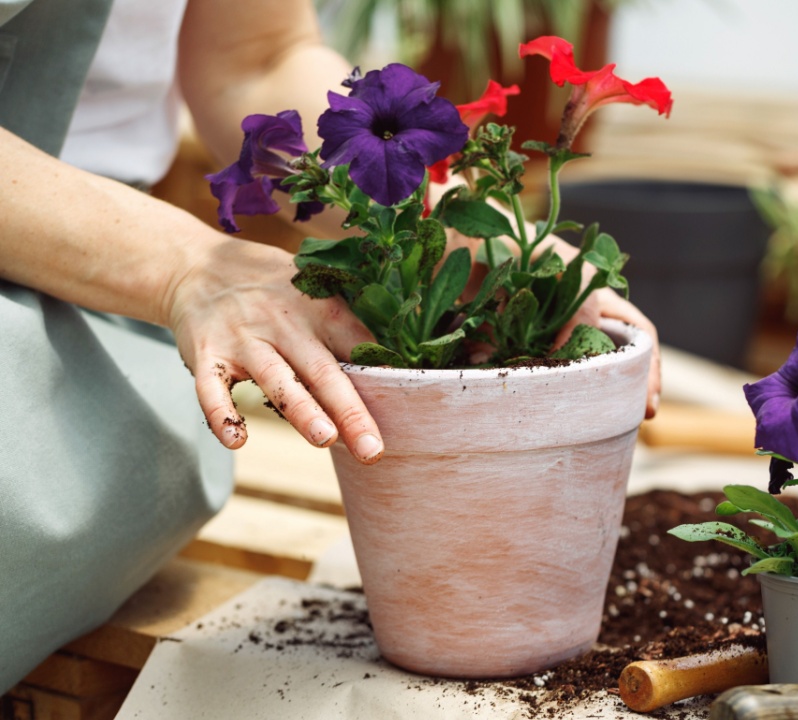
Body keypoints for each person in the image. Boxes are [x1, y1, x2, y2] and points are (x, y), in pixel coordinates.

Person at [0, 0, 660, 692]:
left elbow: (256, 59)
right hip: (116, 262)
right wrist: (184, 267)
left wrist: (485, 241)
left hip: (106, 312)